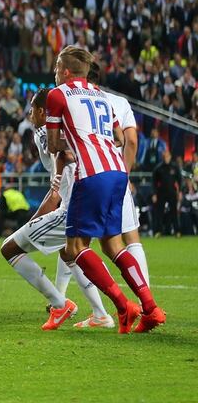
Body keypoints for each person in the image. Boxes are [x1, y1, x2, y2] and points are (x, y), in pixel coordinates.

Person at [46, 45, 164, 333]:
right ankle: (151, 308)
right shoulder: (102, 96)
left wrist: (72, 141)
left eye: (56, 67)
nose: (54, 72)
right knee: (113, 244)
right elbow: (119, 137)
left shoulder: (57, 94)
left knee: (75, 248)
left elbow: (52, 144)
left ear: (64, 70)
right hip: (117, 172)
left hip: (91, 174)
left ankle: (124, 306)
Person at [0, 89, 113, 330]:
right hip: (92, 199)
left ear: (42, 112)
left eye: (32, 110)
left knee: (9, 248)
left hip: (70, 210)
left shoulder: (42, 134)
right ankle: (101, 314)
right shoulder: (72, 129)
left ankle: (60, 304)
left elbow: (57, 185)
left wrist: (33, 220)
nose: (29, 115)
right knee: (71, 254)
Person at [91, 64, 151, 284]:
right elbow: (132, 141)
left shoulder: (73, 101)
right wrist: (124, 174)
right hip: (116, 173)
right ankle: (147, 299)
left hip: (88, 175)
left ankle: (100, 310)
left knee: (78, 243)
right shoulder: (119, 102)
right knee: (130, 237)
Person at [152, 149, 181, 237]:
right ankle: (158, 231)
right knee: (159, 213)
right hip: (161, 193)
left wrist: (180, 192)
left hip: (172, 192)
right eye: (164, 156)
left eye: (167, 156)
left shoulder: (175, 167)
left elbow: (179, 180)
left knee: (174, 212)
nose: (166, 157)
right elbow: (154, 182)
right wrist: (154, 194)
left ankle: (177, 231)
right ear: (162, 157)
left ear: (170, 156)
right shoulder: (158, 168)